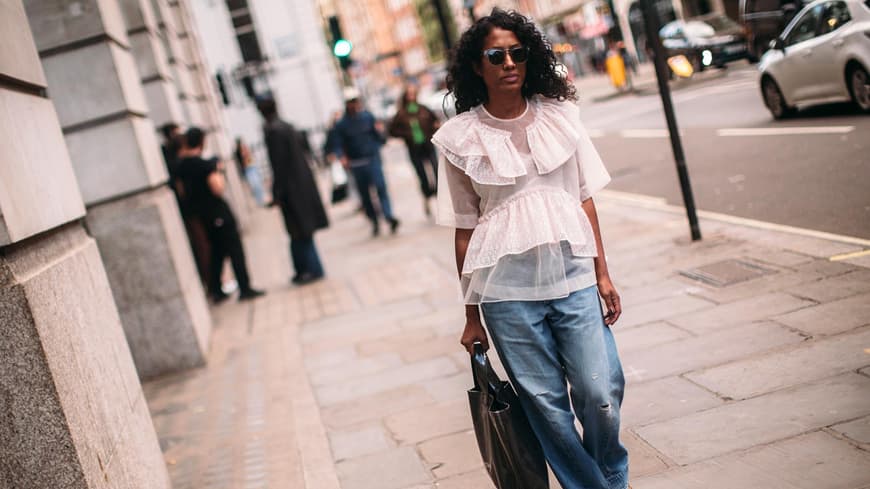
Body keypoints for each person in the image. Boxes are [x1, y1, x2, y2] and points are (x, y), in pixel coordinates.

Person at [433, 9, 629, 489]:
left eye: (517, 53)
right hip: (507, 294)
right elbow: (465, 231)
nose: (508, 63)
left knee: (600, 391)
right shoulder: (462, 138)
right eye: (495, 55)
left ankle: (606, 470)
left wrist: (603, 274)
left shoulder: (561, 117)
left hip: (573, 276)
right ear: (477, 67)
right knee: (546, 407)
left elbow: (584, 199)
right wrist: (471, 315)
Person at [175, 127, 265, 302]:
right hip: (217, 213)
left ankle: (215, 289)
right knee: (234, 250)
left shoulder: (181, 167)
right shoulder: (206, 165)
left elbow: (182, 192)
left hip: (202, 217)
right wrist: (218, 171)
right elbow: (218, 188)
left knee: (217, 251)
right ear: (201, 141)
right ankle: (244, 287)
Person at [256, 97, 328, 285]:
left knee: (301, 232)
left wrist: (277, 192)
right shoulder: (286, 127)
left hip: (293, 189)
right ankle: (306, 269)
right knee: (302, 232)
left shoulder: (275, 132)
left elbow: (279, 165)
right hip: (300, 186)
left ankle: (312, 269)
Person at [330, 87, 400, 237]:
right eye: (351, 102)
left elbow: (378, 137)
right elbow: (337, 144)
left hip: (372, 159)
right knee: (365, 195)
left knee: (381, 188)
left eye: (356, 101)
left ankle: (388, 216)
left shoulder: (367, 117)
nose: (354, 104)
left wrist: (381, 135)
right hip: (357, 164)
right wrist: (342, 156)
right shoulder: (342, 124)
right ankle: (374, 220)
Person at [389, 83, 440, 216]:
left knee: (436, 170)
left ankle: (441, 198)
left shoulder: (423, 109)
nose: (411, 96)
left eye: (413, 93)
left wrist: (433, 130)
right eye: (409, 94)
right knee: (422, 175)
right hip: (414, 148)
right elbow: (392, 130)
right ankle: (427, 198)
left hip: (428, 145)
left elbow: (435, 121)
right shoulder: (401, 114)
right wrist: (406, 135)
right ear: (405, 97)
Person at [234, 137, 266, 206]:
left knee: (258, 183)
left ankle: (261, 199)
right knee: (254, 184)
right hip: (247, 169)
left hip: (252, 166)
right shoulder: (238, 152)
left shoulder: (246, 148)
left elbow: (251, 156)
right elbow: (241, 161)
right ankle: (259, 200)